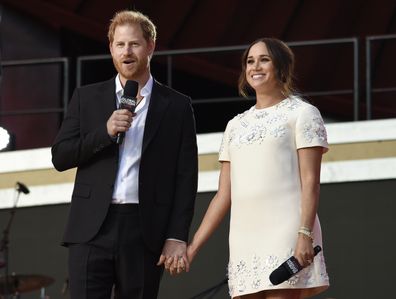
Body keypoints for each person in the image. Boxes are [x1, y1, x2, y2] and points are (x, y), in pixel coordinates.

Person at [51, 10, 198, 299]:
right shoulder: (87, 97)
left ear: (151, 46)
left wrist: (176, 236)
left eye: (134, 44)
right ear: (111, 49)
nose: (126, 51)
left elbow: (186, 177)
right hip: (91, 229)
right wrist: (104, 132)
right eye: (120, 45)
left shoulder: (177, 106)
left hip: (144, 230)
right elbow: (60, 156)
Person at [184, 38, 330, 299]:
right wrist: (193, 247)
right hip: (243, 240)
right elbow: (223, 195)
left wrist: (305, 234)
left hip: (288, 232)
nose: (255, 66)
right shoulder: (234, 125)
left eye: (264, 59)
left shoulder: (303, 114)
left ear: (282, 67)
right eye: (250, 61)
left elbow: (310, 182)